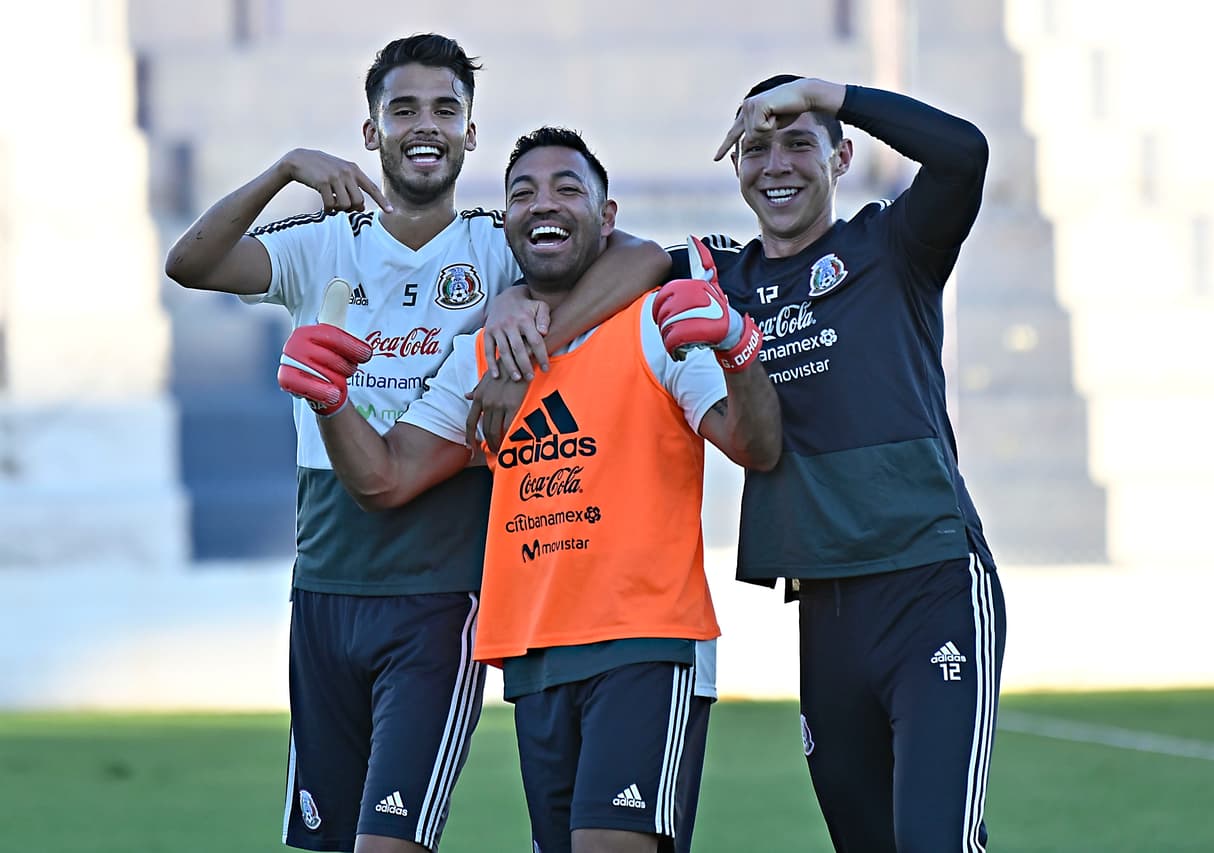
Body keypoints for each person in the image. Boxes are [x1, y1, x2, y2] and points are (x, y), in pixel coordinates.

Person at [163, 34, 668, 853]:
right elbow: (191, 263)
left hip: (441, 591)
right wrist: (285, 167)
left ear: (470, 133)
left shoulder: (497, 241)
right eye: (403, 109)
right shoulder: (323, 241)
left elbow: (641, 257)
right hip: (324, 584)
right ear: (372, 133)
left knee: (390, 842)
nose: (423, 125)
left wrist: (530, 320)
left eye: (445, 109)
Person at [281, 126, 781, 853]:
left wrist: (736, 349)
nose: (544, 203)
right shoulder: (476, 355)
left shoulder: (655, 323)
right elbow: (385, 479)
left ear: (607, 217)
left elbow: (754, 445)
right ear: (506, 223)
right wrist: (331, 401)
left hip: (646, 640)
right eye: (523, 192)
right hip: (535, 653)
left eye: (569, 188)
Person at [673, 75, 1007, 852]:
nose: (776, 164)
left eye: (799, 140)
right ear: (735, 167)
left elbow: (964, 154)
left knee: (936, 840)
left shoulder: (892, 246)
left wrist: (833, 91)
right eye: (756, 146)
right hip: (824, 608)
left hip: (930, 585)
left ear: (842, 156)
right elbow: (604, 260)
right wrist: (520, 304)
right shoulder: (727, 281)